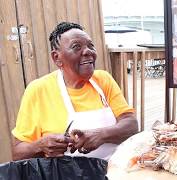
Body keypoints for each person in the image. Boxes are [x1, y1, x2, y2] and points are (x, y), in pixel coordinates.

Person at [11, 22, 138, 161]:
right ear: (56, 58)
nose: (88, 51)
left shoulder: (103, 79)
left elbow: (131, 125)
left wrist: (101, 135)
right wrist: (40, 146)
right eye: (76, 47)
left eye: (90, 45)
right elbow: (18, 153)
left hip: (114, 170)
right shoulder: (38, 90)